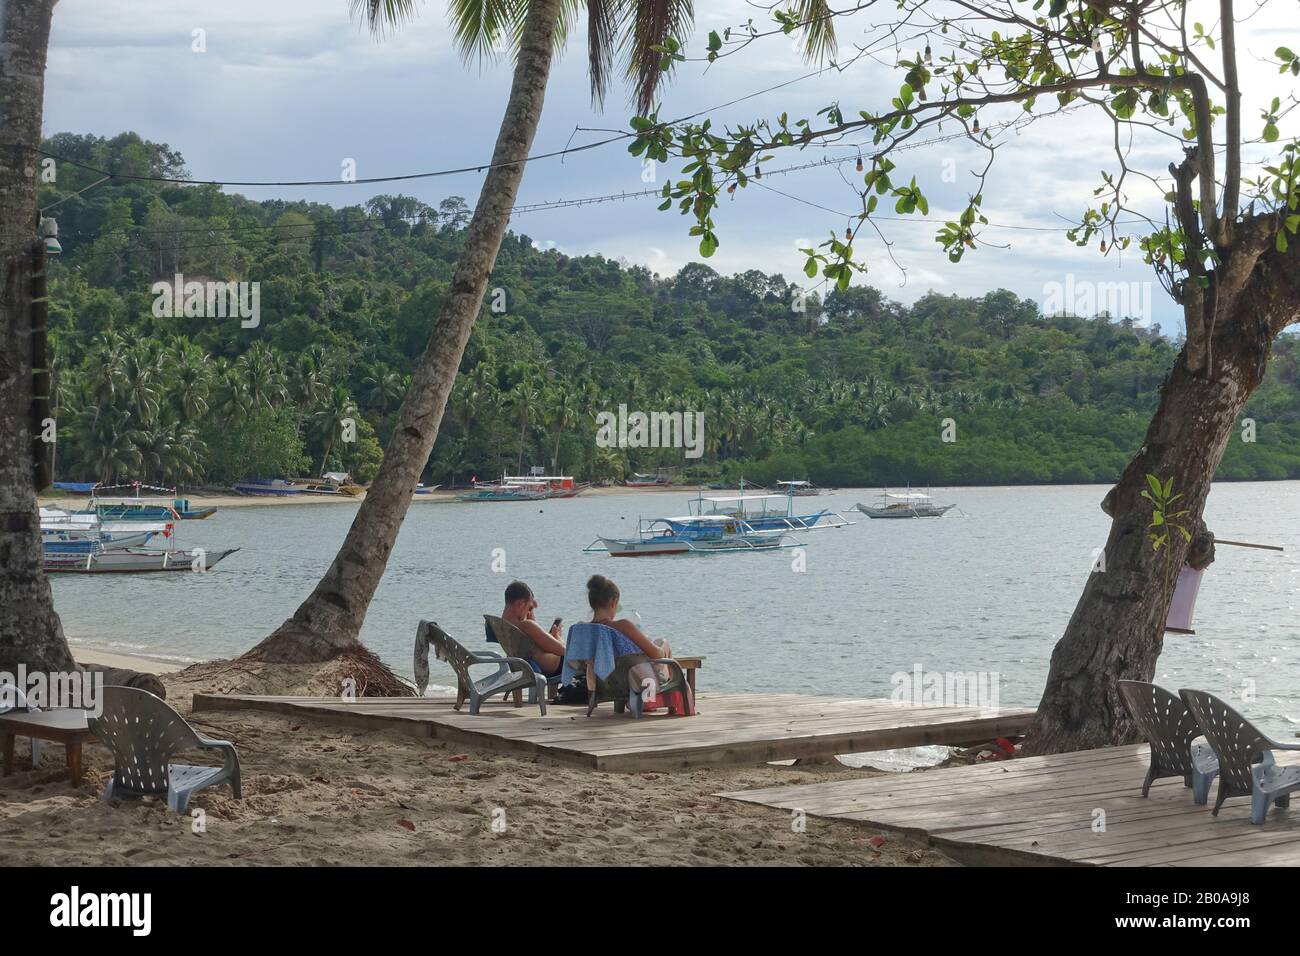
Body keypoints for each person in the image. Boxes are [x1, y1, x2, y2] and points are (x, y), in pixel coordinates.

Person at [585, 574, 671, 694]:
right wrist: (663, 651)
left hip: (601, 685)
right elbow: (654, 653)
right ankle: (667, 696)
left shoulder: (584, 631)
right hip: (636, 684)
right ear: (613, 602)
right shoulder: (623, 626)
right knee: (663, 643)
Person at [494, 580, 565, 677]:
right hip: (555, 667)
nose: (529, 612)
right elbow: (562, 650)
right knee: (581, 651)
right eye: (529, 608)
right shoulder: (527, 626)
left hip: (521, 667)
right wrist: (558, 637)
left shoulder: (500, 626)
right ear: (520, 604)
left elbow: (534, 647)